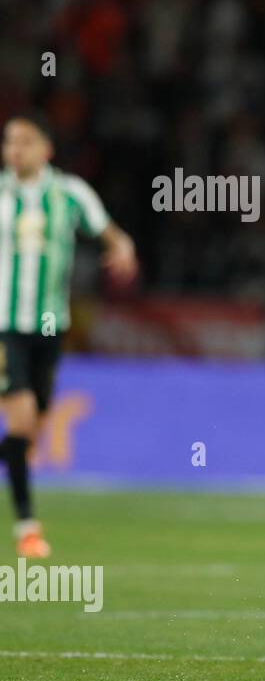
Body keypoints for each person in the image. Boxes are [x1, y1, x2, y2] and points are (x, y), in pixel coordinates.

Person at [0, 115, 138, 558]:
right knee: (19, 421)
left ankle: (24, 511)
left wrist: (122, 249)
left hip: (49, 326)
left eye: (24, 141)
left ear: (46, 149)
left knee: (33, 428)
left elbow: (109, 232)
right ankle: (28, 528)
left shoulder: (69, 194)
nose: (14, 149)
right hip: (5, 326)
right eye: (8, 142)